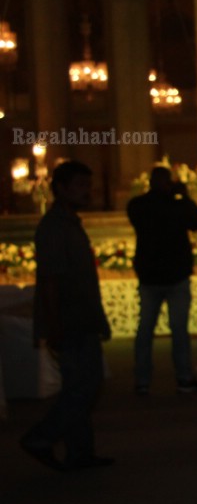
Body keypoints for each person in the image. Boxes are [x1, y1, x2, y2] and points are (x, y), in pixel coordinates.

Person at [20, 160, 113, 471]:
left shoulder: (69, 223)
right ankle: (41, 437)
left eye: (88, 186)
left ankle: (80, 453)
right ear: (60, 188)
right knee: (82, 387)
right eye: (80, 186)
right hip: (70, 319)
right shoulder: (55, 227)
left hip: (81, 316)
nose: (86, 192)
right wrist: (54, 325)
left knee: (83, 385)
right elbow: (49, 280)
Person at [127, 165, 197, 395]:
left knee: (146, 330)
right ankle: (183, 378)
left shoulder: (138, 205)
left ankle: (143, 381)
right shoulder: (175, 205)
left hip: (152, 275)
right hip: (174, 274)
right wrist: (183, 196)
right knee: (178, 331)